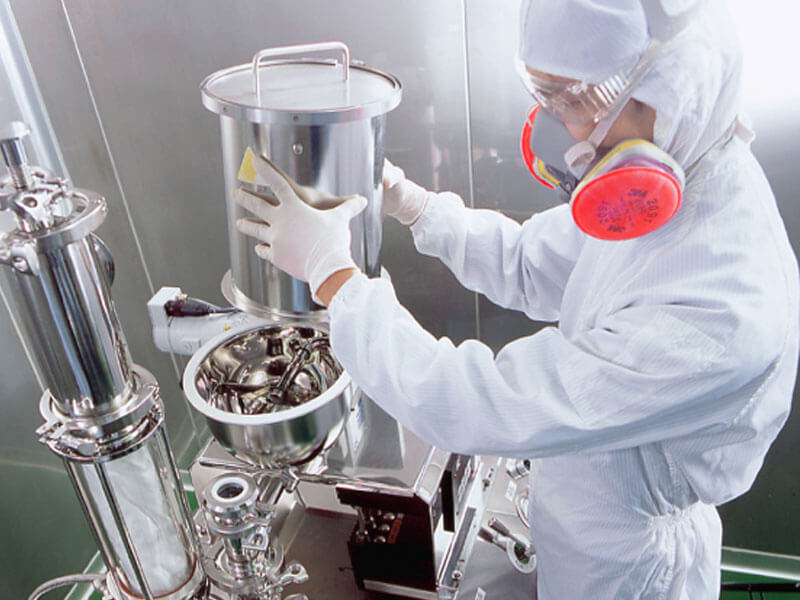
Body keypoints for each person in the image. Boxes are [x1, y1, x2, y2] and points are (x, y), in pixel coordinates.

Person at [232, 0, 800, 597]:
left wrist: (332, 278)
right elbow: (531, 263)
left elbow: (478, 405)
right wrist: (415, 205)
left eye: (576, 102)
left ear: (672, 89)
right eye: (545, 97)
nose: (560, 130)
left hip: (628, 567)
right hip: (584, 501)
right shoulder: (678, 173)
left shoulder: (721, 311)